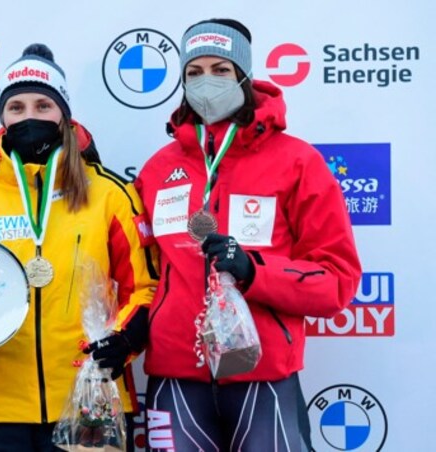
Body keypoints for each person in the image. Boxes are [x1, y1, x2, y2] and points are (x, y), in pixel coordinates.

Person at [0, 44, 159, 451]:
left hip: (92, 398)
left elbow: (144, 288)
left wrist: (124, 343)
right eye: (16, 107)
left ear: (63, 114)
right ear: (3, 117)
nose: (29, 117)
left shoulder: (108, 194)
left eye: (43, 105)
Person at [134, 19, 362, 451]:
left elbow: (337, 281)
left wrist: (255, 272)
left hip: (263, 377)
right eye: (193, 72)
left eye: (221, 70)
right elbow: (138, 272)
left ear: (244, 76)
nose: (207, 82)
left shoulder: (297, 161)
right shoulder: (158, 168)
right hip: (175, 377)